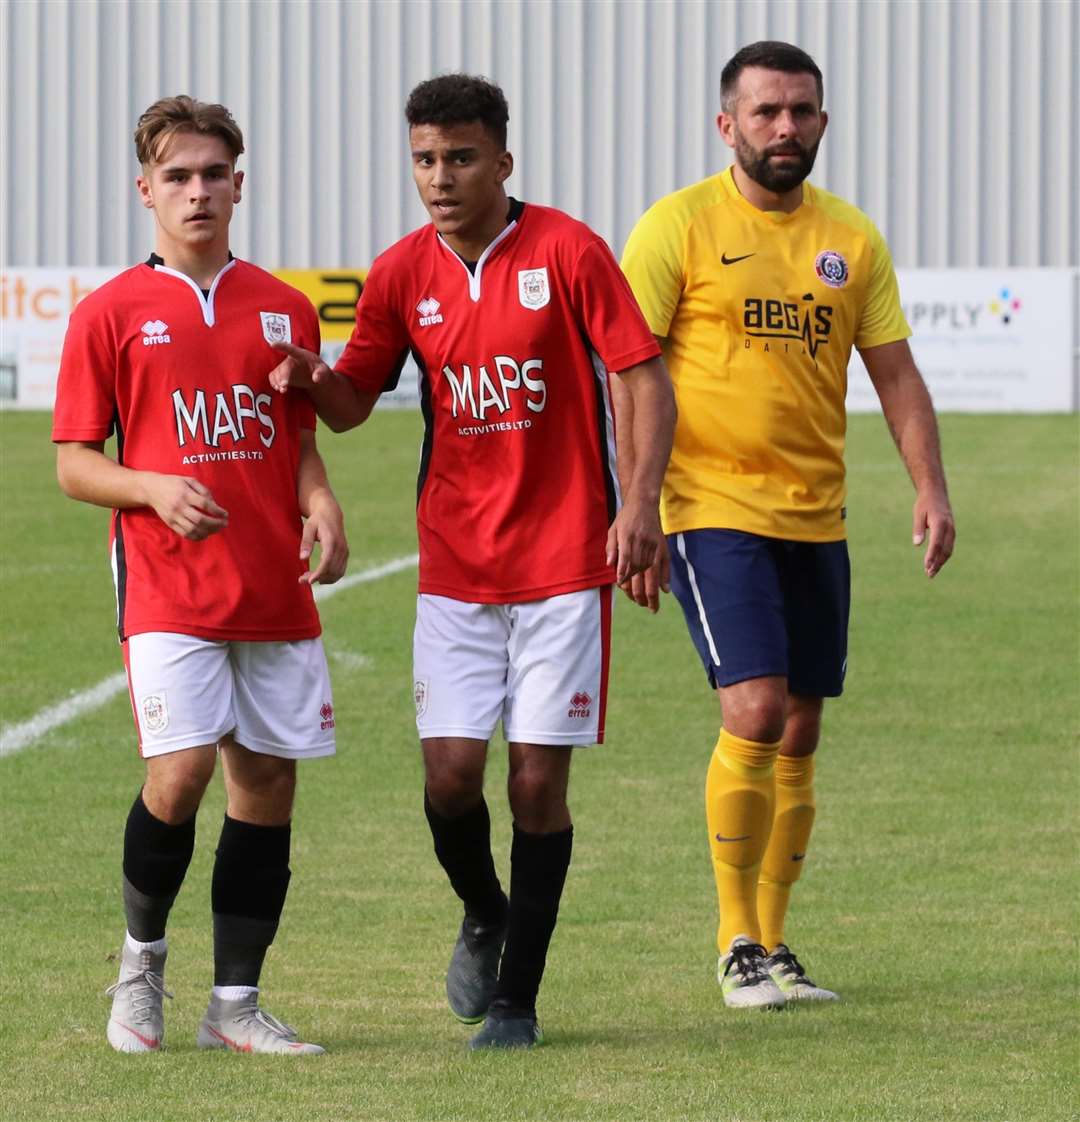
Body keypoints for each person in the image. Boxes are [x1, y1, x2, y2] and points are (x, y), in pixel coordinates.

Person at [270, 73, 675, 1049]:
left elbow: (641, 378)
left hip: (565, 561)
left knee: (537, 783)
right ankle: (485, 911)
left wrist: (642, 504)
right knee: (450, 779)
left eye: (459, 158)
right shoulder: (403, 271)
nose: (439, 178)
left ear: (502, 160)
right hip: (455, 566)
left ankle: (517, 999)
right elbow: (355, 399)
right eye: (423, 160)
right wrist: (306, 375)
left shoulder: (568, 250)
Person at [617, 41, 955, 1009]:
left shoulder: (850, 237)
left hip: (818, 513)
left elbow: (894, 373)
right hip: (709, 505)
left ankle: (774, 944)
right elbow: (627, 371)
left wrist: (929, 488)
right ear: (728, 124)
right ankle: (732, 944)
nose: (785, 129)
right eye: (765, 113)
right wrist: (634, 503)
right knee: (755, 709)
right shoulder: (677, 227)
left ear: (822, 122)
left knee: (801, 730)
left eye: (801, 112)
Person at [52, 96, 347, 1054]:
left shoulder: (284, 306)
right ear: (146, 192)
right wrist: (148, 488)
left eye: (214, 174)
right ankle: (140, 967)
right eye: (177, 177)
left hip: (273, 587)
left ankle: (236, 1006)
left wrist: (322, 501)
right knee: (177, 776)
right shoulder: (110, 314)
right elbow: (73, 461)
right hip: (168, 582)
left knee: (265, 786)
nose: (197, 192)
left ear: (239, 185)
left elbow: (293, 438)